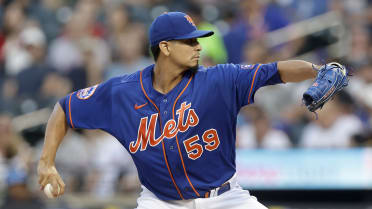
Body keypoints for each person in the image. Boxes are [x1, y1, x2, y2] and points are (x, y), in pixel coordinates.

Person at [38, 12, 322, 209]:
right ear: (165, 47)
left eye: (197, 40)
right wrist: (47, 162)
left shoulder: (219, 79)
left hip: (225, 198)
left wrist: (317, 70)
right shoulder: (121, 92)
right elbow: (64, 108)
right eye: (189, 41)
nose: (198, 47)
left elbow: (276, 71)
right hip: (160, 201)